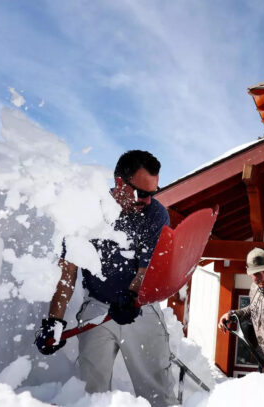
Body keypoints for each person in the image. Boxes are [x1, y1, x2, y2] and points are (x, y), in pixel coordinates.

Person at [35, 150, 176, 406]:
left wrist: (132, 296)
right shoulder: (87, 211)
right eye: (142, 193)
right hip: (97, 307)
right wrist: (54, 322)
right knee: (91, 392)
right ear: (120, 182)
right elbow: (68, 274)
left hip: (140, 307)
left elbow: (146, 270)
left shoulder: (155, 215)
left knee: (156, 389)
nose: (147, 200)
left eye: (153, 193)